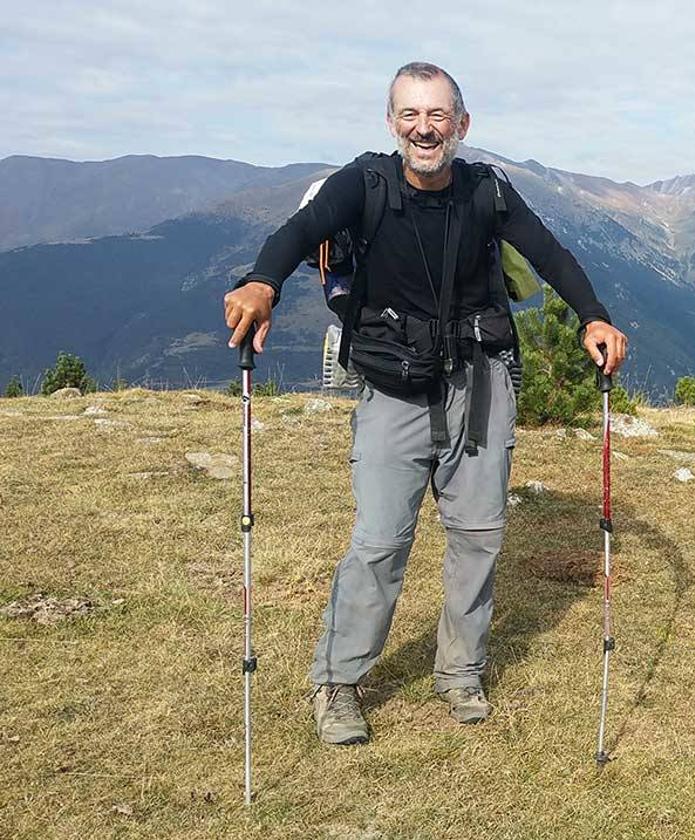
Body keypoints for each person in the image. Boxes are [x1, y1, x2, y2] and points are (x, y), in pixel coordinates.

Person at [222, 62, 628, 745]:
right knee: (380, 541)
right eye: (410, 114)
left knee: (479, 536)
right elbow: (299, 232)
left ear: (461, 125)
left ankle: (460, 670)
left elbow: (550, 255)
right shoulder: (365, 183)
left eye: (437, 115)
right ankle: (339, 683)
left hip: (480, 382)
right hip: (392, 388)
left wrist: (593, 315)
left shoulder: (487, 192)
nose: (424, 128)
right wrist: (263, 281)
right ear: (392, 123)